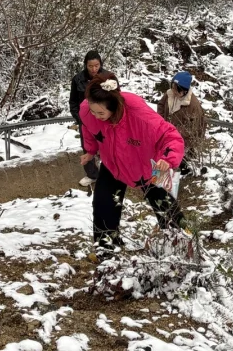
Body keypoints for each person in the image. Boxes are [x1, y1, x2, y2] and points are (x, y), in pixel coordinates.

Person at [79, 73, 185, 255]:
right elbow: (88, 128)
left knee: (164, 204)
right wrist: (90, 151)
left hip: (148, 164)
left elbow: (170, 136)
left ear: (114, 106)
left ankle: (180, 240)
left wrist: (167, 159)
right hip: (113, 163)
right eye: (93, 111)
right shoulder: (87, 110)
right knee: (103, 204)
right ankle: (106, 249)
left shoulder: (139, 114)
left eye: (101, 113)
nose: (95, 116)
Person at [156, 70, 207, 168]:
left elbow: (193, 128)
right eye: (173, 87)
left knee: (172, 161)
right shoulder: (169, 94)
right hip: (166, 133)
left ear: (184, 91)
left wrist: (174, 132)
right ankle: (158, 174)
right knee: (161, 157)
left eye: (177, 90)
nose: (174, 91)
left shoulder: (193, 105)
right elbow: (161, 105)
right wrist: (161, 121)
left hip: (182, 140)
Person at [70, 50, 103, 184]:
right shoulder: (77, 79)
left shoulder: (108, 77)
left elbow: (117, 98)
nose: (94, 69)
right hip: (85, 121)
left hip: (104, 119)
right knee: (87, 147)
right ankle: (92, 174)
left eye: (96, 65)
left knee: (107, 145)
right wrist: (79, 118)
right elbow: (73, 102)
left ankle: (111, 173)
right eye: (90, 66)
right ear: (85, 65)